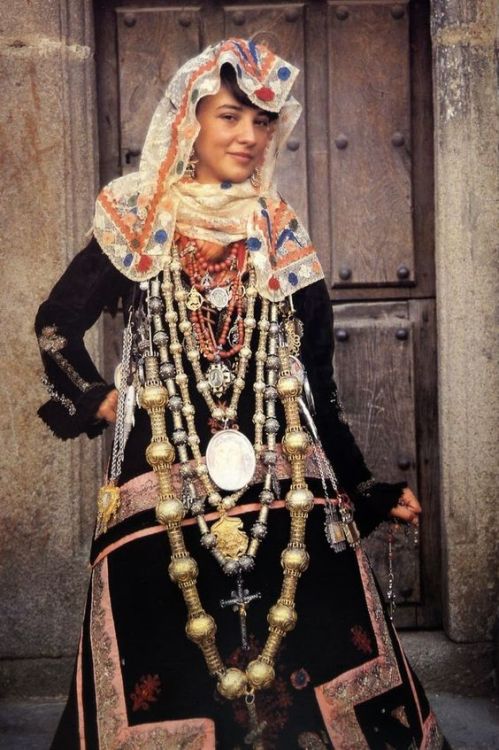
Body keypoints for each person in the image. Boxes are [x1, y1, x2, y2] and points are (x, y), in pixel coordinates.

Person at [36, 39, 448, 750]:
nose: (249, 137)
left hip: (285, 499)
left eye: (262, 121)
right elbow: (56, 329)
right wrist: (100, 398)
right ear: (189, 119)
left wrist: (363, 489)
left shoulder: (280, 234)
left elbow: (319, 389)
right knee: (163, 669)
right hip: (164, 492)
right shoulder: (137, 218)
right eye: (231, 116)